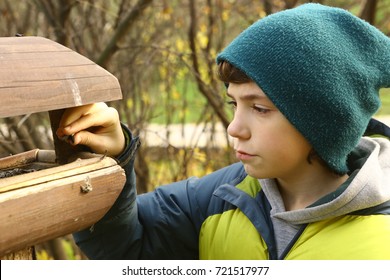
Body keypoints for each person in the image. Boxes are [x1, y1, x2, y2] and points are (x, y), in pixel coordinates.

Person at [56, 3, 390, 259]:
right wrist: (111, 157)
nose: (235, 128)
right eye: (234, 104)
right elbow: (124, 247)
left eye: (259, 108)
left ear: (323, 120)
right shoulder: (220, 197)